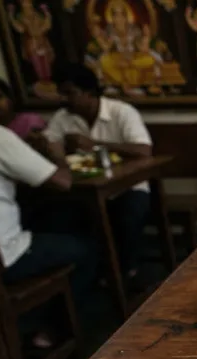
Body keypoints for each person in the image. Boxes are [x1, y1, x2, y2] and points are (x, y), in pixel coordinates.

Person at [0, 61, 93, 347]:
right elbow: (62, 182)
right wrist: (56, 153)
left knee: (50, 216)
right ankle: (47, 331)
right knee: (85, 248)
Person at [41, 63, 152, 281]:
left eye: (69, 93)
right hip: (84, 189)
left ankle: (128, 272)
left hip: (127, 187)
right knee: (58, 217)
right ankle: (86, 275)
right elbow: (51, 144)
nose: (63, 99)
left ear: (89, 92)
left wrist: (94, 144)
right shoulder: (63, 117)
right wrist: (49, 149)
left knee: (129, 215)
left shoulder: (121, 112)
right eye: (60, 93)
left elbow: (143, 150)